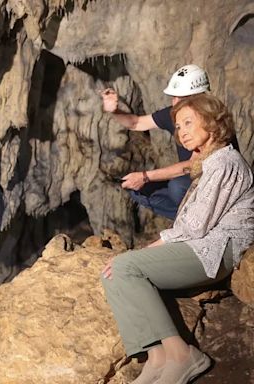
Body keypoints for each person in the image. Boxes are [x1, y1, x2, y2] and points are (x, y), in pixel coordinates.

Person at [100, 93, 254, 384]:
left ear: (212, 124)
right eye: (178, 126)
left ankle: (183, 356)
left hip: (217, 249)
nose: (181, 131)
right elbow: (189, 223)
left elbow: (194, 227)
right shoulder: (208, 163)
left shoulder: (224, 163)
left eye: (188, 123)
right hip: (200, 245)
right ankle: (157, 359)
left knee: (125, 267)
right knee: (112, 274)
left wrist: (146, 249)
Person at [101, 64, 208, 220]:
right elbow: (135, 123)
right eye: (174, 97)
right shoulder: (174, 113)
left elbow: (193, 165)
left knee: (177, 187)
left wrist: (145, 176)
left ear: (199, 97)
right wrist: (114, 111)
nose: (175, 102)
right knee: (138, 189)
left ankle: (202, 223)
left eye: (182, 98)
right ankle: (187, 222)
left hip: (213, 182)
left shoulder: (210, 121)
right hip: (192, 182)